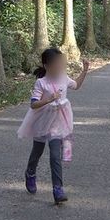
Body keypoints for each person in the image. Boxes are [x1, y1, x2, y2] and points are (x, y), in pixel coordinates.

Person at [18, 48, 89, 204]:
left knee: (55, 155)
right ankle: (30, 172)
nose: (59, 67)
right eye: (56, 64)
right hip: (43, 120)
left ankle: (58, 189)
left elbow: (76, 85)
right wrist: (48, 99)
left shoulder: (63, 77)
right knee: (37, 151)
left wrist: (84, 71)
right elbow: (34, 104)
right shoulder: (41, 83)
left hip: (59, 122)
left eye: (61, 64)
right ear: (47, 65)